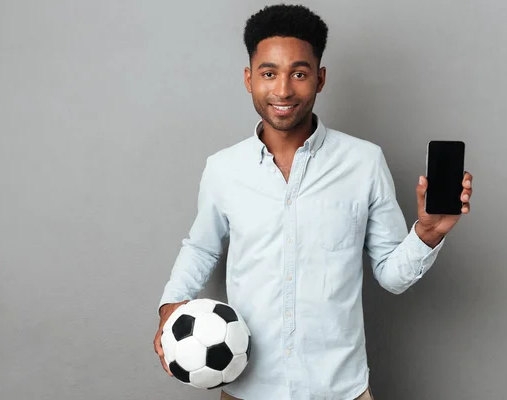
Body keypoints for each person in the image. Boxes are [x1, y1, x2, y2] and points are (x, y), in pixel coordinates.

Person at [153, 4, 473, 400]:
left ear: (320, 79)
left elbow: (391, 276)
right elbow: (200, 248)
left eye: (299, 74)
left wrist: (427, 233)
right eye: (269, 73)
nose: (283, 90)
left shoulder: (364, 162)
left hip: (341, 389)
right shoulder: (223, 169)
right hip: (248, 390)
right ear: (249, 78)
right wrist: (171, 305)